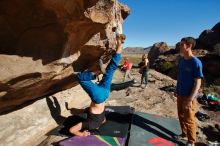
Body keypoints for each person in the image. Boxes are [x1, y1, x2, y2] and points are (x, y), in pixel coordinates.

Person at [69, 34, 126, 137]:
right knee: (80, 77)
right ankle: (94, 74)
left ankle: (119, 43)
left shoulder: (101, 119)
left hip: (105, 93)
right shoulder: (91, 124)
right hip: (98, 96)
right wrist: (82, 134)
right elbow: (72, 130)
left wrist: (73, 110)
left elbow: (102, 120)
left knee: (111, 68)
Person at [174, 37, 203, 146]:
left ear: (189, 45)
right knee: (181, 116)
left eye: (182, 44)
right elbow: (180, 76)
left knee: (189, 119)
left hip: (189, 96)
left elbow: (197, 83)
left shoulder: (196, 62)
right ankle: (184, 134)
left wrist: (190, 99)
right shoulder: (181, 60)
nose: (179, 46)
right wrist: (177, 90)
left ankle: (191, 142)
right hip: (180, 93)